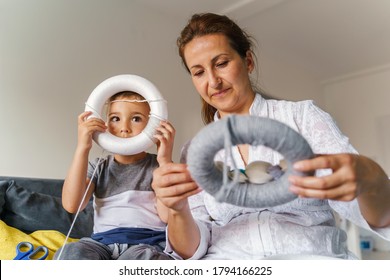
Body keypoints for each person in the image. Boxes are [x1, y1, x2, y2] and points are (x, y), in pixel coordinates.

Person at [151, 13, 390, 260]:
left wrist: (371, 179)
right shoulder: (195, 151)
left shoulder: (303, 118)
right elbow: (190, 250)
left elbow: (373, 213)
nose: (213, 81)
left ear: (248, 61)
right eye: (198, 72)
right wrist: (178, 209)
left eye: (221, 63)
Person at [55, 91, 175, 260]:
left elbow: (167, 216)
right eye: (115, 118)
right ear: (105, 124)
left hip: (146, 245)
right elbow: (71, 205)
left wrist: (165, 161)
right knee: (70, 252)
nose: (124, 127)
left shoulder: (158, 166)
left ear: (152, 125)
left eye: (136, 118)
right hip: (101, 245)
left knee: (149, 260)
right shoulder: (99, 167)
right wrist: (83, 148)